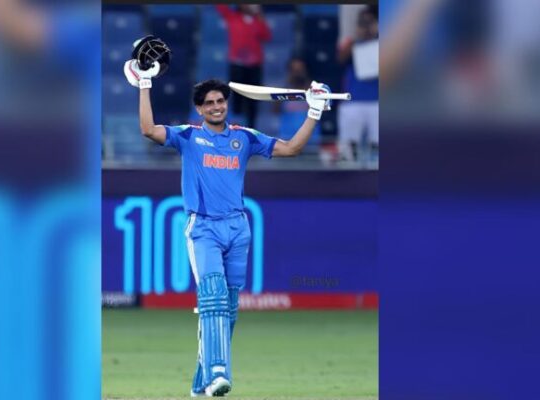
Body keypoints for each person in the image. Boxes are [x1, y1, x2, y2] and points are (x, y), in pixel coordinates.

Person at [124, 38, 330, 397]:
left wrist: (314, 111)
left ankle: (200, 383)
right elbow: (147, 129)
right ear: (199, 109)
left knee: (229, 308)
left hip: (238, 228)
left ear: (226, 104)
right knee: (213, 297)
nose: (217, 107)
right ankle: (219, 372)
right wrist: (144, 84)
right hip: (203, 227)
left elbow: (292, 148)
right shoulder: (188, 136)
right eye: (209, 103)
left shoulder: (244, 138)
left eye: (220, 101)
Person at [216, 4, 271, 128]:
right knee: (236, 99)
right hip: (237, 65)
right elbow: (221, 6)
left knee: (253, 99)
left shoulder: (257, 21)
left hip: (254, 65)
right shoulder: (233, 17)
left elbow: (267, 36)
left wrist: (260, 15)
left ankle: (252, 128)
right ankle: (235, 126)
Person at [336, 5, 379, 163]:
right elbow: (340, 59)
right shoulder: (351, 43)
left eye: (369, 22)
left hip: (378, 102)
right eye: (362, 23)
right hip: (353, 102)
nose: (366, 26)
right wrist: (356, 38)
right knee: (348, 150)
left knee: (377, 150)